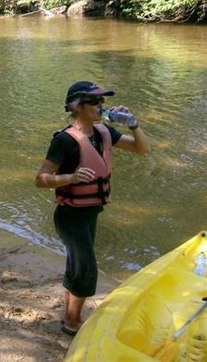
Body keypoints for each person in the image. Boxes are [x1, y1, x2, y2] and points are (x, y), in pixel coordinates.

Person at [35, 81, 150, 336]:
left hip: (91, 212)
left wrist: (134, 124)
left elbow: (143, 148)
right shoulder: (64, 141)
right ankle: (72, 322)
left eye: (103, 102)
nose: (101, 106)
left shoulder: (104, 132)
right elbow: (40, 179)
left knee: (77, 266)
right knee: (86, 269)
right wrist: (70, 178)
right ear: (77, 107)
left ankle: (69, 314)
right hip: (70, 216)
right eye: (95, 102)